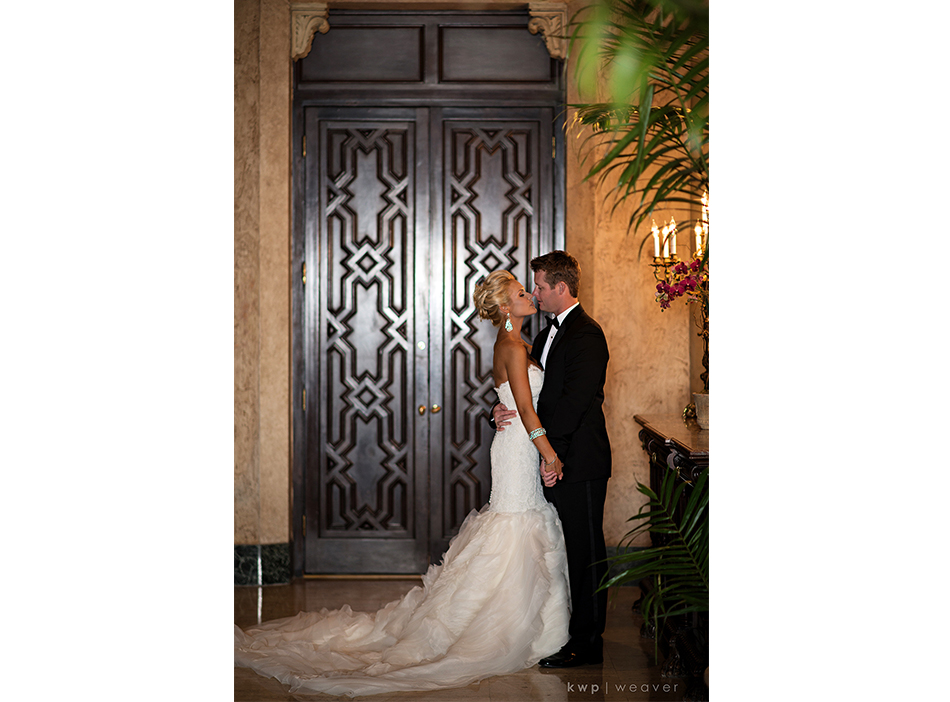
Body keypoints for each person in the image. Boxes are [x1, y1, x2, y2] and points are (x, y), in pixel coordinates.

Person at [234, 270, 571, 696]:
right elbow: (523, 406)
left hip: (517, 445)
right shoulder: (512, 346)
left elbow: (514, 401)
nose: (529, 297)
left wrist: (505, 419)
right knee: (513, 523)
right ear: (505, 307)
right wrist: (549, 454)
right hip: (519, 447)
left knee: (519, 521)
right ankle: (501, 628)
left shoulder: (519, 343)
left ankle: (525, 623)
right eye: (521, 293)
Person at [493, 250, 611, 668]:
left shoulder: (587, 335)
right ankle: (557, 630)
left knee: (585, 552)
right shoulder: (543, 336)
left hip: (578, 460)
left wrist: (550, 455)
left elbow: (575, 403)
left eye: (540, 286)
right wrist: (497, 410)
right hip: (549, 458)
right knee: (559, 551)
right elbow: (526, 397)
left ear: (561, 287)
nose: (536, 293)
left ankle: (587, 642)